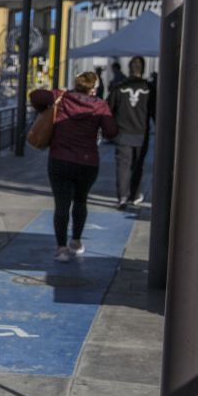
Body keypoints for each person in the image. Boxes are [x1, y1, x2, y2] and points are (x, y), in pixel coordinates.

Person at [45, 72, 117, 262]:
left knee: (61, 204)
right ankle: (75, 242)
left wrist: (56, 96)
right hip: (87, 162)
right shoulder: (100, 106)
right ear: (93, 88)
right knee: (80, 201)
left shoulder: (62, 98)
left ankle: (61, 248)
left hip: (59, 159)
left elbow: (35, 96)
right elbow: (111, 132)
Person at [107, 55, 155, 208]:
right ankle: (134, 195)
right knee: (138, 165)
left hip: (122, 133)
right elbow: (155, 112)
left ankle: (122, 196)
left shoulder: (119, 88)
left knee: (123, 165)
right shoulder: (149, 89)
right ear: (143, 69)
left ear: (129, 68)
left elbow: (108, 108)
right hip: (142, 133)